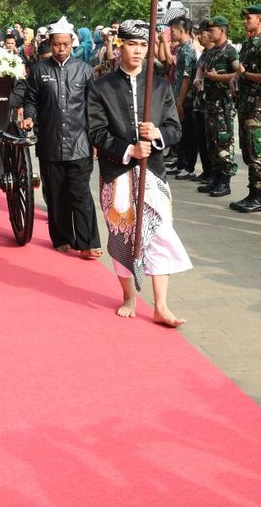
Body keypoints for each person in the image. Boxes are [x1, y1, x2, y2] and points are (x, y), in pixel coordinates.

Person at [87, 20, 190, 327]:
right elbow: (96, 131)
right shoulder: (101, 87)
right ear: (120, 47)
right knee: (123, 236)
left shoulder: (159, 86)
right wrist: (129, 150)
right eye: (132, 44)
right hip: (117, 173)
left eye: (143, 45)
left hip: (153, 174)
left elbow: (175, 129)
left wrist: (157, 133)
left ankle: (161, 305)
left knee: (161, 233)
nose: (137, 51)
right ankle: (129, 296)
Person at [21, 15, 102, 258]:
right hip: (50, 142)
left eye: (65, 44)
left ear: (72, 43)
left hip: (80, 143)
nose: (61, 48)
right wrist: (29, 116)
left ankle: (87, 243)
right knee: (56, 194)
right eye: (57, 44)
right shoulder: (38, 71)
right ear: (50, 43)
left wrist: (95, 139)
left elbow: (93, 108)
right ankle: (62, 237)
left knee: (80, 193)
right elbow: (31, 100)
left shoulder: (85, 70)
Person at [230, 4, 261, 213]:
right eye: (245, 18)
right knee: (248, 150)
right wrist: (237, 77)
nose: (246, 21)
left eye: (250, 18)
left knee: (258, 151)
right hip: (245, 103)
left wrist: (244, 74)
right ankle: (253, 192)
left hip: (256, 106)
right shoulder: (249, 44)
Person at [197, 17, 239, 197]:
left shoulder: (230, 52)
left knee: (223, 141)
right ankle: (215, 176)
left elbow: (237, 73)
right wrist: (200, 78)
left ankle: (225, 181)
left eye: (212, 30)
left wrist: (217, 78)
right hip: (210, 103)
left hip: (223, 103)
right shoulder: (212, 52)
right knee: (212, 142)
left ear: (222, 31)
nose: (208, 33)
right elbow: (202, 67)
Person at [168, 17, 198, 180]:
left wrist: (179, 101)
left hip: (185, 98)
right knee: (182, 131)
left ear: (181, 31)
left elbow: (186, 78)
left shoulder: (187, 50)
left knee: (188, 133)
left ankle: (188, 166)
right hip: (179, 96)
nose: (170, 34)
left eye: (172, 31)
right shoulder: (181, 49)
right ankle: (181, 163)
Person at [190, 20, 214, 185]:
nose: (200, 36)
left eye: (203, 33)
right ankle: (207, 171)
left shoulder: (221, 52)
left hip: (213, 105)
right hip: (200, 102)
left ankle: (214, 174)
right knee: (201, 140)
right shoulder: (205, 53)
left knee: (212, 142)